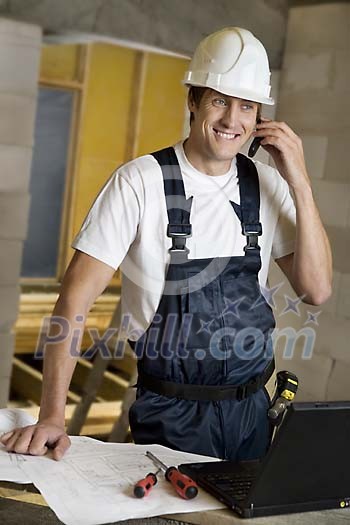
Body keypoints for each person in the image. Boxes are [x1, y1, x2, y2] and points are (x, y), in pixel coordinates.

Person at [1, 27, 332, 461]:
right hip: (171, 416)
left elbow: (317, 290)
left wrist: (300, 181)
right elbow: (73, 303)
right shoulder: (140, 182)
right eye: (219, 100)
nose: (233, 120)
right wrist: (52, 416)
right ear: (193, 101)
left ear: (259, 117)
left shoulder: (268, 185)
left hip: (251, 414)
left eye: (246, 106)